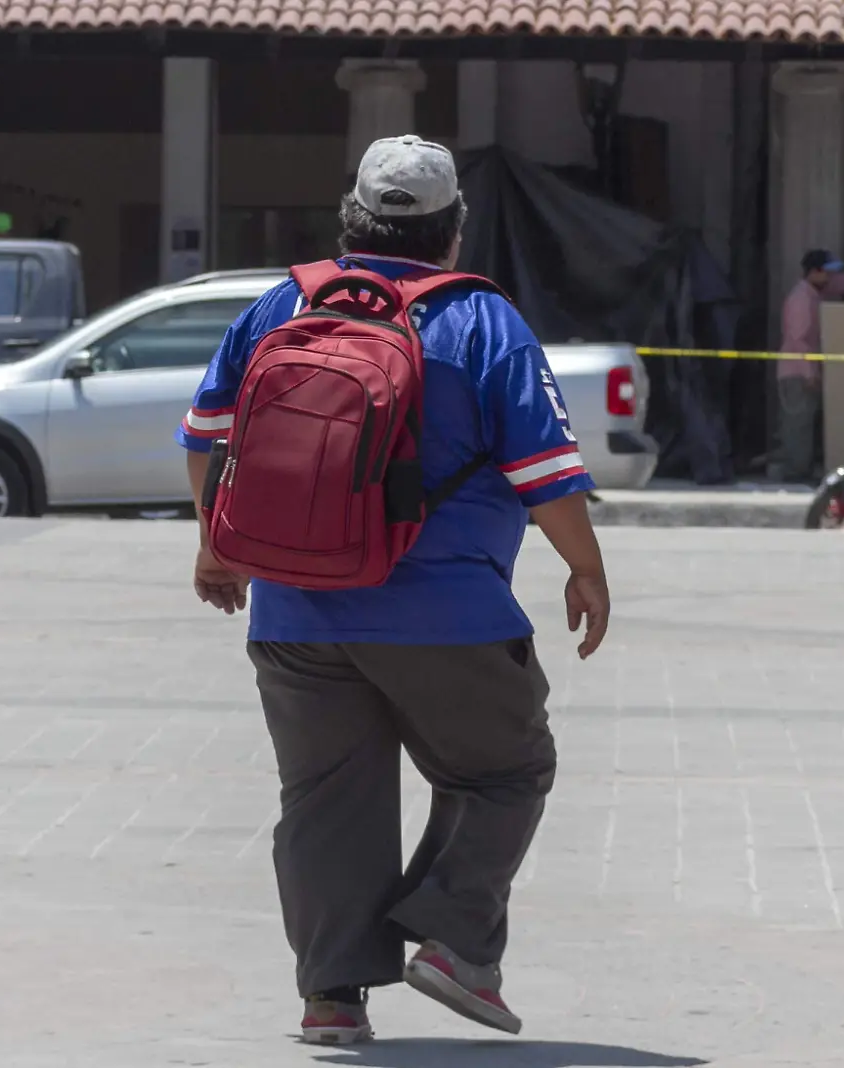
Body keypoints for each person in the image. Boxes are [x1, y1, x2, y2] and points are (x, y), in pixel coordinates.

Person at [177, 135, 609, 1045]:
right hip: (448, 615)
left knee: (329, 803)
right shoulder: (483, 322)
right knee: (505, 769)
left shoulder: (278, 304)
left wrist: (218, 548)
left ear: (350, 218)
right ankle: (454, 942)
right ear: (454, 229)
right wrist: (587, 568)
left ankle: (331, 1000)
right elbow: (546, 473)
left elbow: (206, 433)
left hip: (294, 613)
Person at [776, 249, 844, 483]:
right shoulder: (801, 300)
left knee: (806, 423)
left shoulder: (814, 294)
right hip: (797, 373)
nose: (830, 279)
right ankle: (795, 472)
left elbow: (838, 285)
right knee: (798, 424)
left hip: (805, 370)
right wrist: (810, 372)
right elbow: (799, 340)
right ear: (814, 272)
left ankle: (801, 468)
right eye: (827, 273)